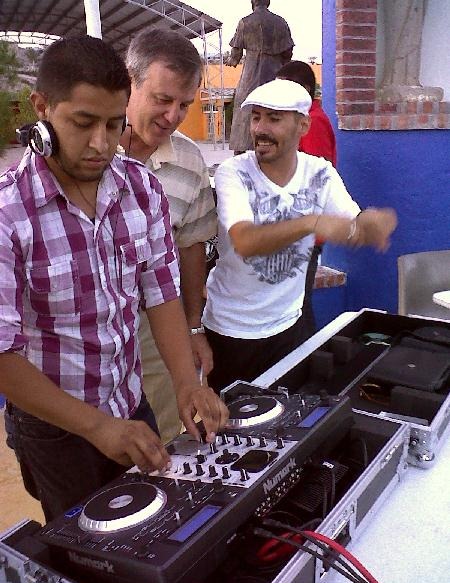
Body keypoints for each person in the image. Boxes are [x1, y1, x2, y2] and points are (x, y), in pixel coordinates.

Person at [0, 36, 228, 522]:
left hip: (130, 403)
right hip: (55, 429)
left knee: (153, 529)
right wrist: (98, 427)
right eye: (83, 123)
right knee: (84, 546)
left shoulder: (141, 188)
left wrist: (186, 384)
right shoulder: (8, 213)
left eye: (113, 123)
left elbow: (161, 294)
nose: (101, 144)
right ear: (41, 108)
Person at [202, 79, 397, 394]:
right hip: (232, 331)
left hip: (290, 326)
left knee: (291, 416)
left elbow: (354, 223)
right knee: (232, 420)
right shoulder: (233, 173)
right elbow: (245, 242)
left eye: (274, 119)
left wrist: (370, 225)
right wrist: (311, 223)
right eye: (256, 117)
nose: (260, 129)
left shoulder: (320, 173)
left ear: (303, 125)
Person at [122, 30, 217, 444]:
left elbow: (192, 247)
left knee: (156, 437)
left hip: (155, 324)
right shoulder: (90, 151)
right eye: (162, 99)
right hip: (82, 327)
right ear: (129, 82)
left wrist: (193, 327)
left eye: (185, 105)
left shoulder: (190, 161)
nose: (173, 115)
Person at [276, 60, 337, 339]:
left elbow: (314, 179)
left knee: (298, 305)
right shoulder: (298, 122)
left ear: (303, 90)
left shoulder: (312, 124)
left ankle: (307, 359)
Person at [227, 0, 294, 153]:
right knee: (276, 113)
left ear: (253, 2)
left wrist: (230, 61)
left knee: (245, 111)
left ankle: (242, 151)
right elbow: (288, 54)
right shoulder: (280, 22)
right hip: (275, 77)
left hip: (250, 78)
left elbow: (235, 56)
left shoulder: (245, 22)